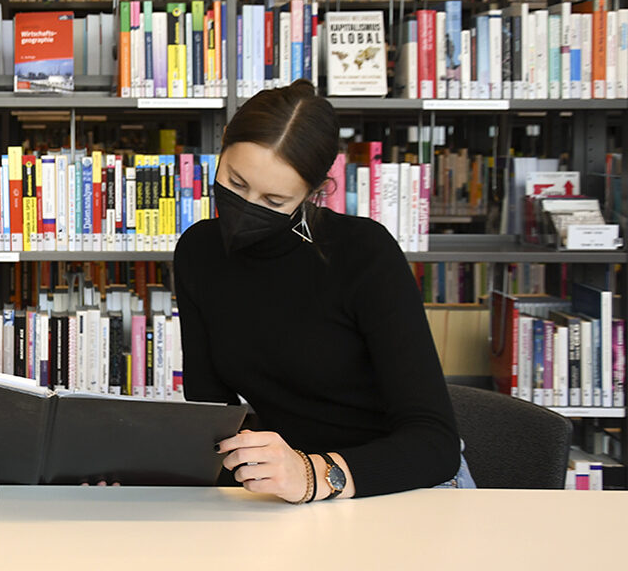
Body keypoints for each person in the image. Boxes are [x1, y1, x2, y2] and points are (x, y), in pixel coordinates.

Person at [174, 80, 473, 503]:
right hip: (285, 492)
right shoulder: (198, 252)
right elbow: (212, 414)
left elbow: (436, 445)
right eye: (236, 184)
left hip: (398, 486)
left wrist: (313, 475)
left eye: (275, 200)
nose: (247, 209)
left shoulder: (364, 254)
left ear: (312, 193)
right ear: (223, 144)